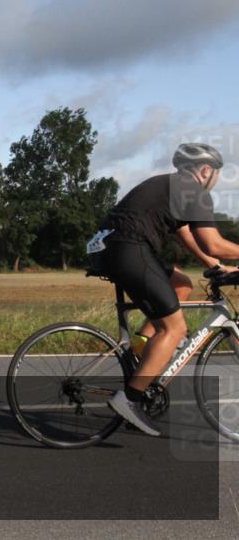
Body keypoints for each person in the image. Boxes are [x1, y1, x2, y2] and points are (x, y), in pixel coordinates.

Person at [88, 143, 239, 435]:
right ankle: (129, 400)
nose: (215, 180)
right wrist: (218, 253)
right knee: (176, 329)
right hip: (130, 249)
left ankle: (141, 349)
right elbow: (213, 241)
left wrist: (213, 264)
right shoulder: (194, 191)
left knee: (182, 284)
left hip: (111, 247)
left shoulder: (167, 184)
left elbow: (186, 235)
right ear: (206, 170)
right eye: (217, 174)